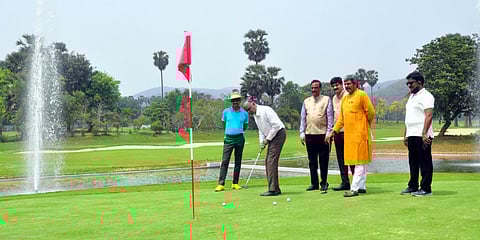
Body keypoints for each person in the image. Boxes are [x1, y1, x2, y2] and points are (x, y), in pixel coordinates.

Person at [327, 75, 375, 197]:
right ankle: (362, 186)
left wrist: (364, 125)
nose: (347, 86)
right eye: (346, 84)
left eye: (349, 84)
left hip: (360, 134)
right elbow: (341, 119)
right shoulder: (345, 99)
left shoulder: (362, 95)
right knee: (360, 161)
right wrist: (334, 131)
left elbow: (371, 112)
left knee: (359, 161)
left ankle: (354, 189)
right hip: (349, 136)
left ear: (355, 84)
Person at [401, 71, 435, 197]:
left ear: (419, 82)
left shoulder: (427, 96)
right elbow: (408, 117)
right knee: (413, 162)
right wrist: (406, 134)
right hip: (412, 134)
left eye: (411, 83)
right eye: (407, 83)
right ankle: (413, 186)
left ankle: (426, 188)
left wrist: (424, 133)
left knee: (424, 162)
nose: (409, 86)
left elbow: (429, 115)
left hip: (422, 134)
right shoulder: (411, 97)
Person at [245, 97, 286, 196]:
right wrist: (261, 142)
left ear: (253, 104)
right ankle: (275, 188)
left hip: (279, 134)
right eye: (248, 111)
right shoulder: (255, 115)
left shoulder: (266, 110)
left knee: (271, 161)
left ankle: (273, 190)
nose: (249, 111)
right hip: (271, 136)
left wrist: (268, 139)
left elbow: (276, 126)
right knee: (268, 161)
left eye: (250, 109)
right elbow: (261, 130)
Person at [299, 80, 333, 192]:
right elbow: (303, 118)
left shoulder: (326, 99)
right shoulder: (306, 101)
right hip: (310, 134)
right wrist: (301, 132)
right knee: (312, 161)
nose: (314, 90)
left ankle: (324, 183)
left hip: (322, 135)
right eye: (312, 88)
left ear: (320, 88)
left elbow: (329, 117)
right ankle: (314, 183)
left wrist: (329, 132)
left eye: (316, 88)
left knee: (323, 161)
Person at [214, 90, 249, 192]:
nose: (235, 102)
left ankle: (235, 183)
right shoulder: (226, 112)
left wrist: (237, 130)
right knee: (225, 161)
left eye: (237, 100)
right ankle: (221, 184)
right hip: (228, 139)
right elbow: (224, 124)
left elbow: (245, 126)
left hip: (240, 139)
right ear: (231, 101)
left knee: (238, 161)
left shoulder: (244, 114)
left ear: (240, 101)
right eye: (233, 100)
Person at [330, 77, 355, 191]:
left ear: (342, 85)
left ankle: (356, 182)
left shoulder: (348, 96)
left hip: (349, 131)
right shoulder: (334, 98)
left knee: (351, 158)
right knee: (341, 158)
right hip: (337, 131)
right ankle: (345, 182)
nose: (336, 87)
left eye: (337, 85)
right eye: (334, 86)